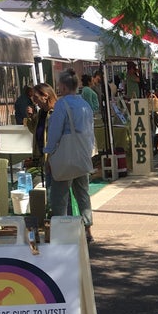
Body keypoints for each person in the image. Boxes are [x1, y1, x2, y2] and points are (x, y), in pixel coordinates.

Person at [44, 69, 95, 243]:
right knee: (82, 193)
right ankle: (87, 230)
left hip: (65, 157)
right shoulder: (85, 105)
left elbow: (54, 133)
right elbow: (90, 132)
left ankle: (62, 231)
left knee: (59, 196)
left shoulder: (62, 105)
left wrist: (49, 153)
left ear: (64, 87)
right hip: (82, 155)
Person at [28, 83, 57, 189]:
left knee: (57, 192)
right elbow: (34, 130)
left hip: (55, 159)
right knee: (50, 190)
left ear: (45, 95)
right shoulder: (41, 113)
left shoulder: (57, 112)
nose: (34, 101)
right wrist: (30, 117)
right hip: (42, 158)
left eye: (36, 97)